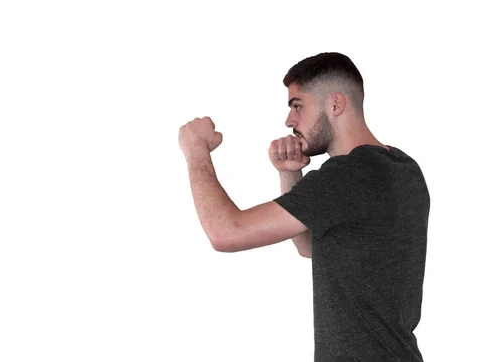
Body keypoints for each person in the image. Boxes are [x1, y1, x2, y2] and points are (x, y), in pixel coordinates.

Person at [179, 52, 430, 361]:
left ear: (336, 104)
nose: (289, 120)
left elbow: (225, 232)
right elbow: (312, 246)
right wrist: (290, 172)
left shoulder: (348, 175)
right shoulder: (401, 167)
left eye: (297, 106)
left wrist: (195, 151)